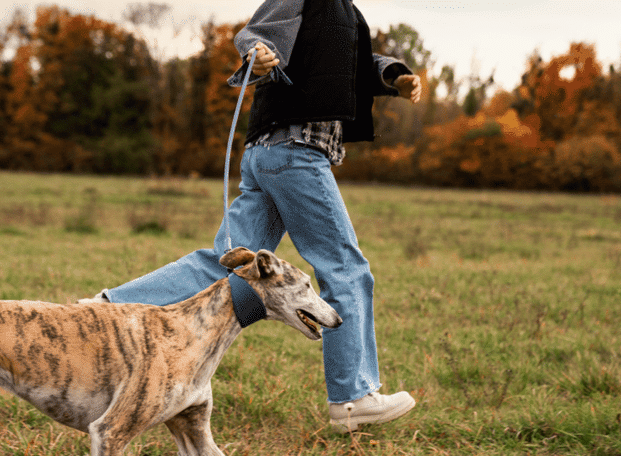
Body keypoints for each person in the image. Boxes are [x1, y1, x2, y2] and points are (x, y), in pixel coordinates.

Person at [83, 0, 423, 432]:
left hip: (270, 154)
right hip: (295, 152)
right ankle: (352, 397)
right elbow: (257, 32)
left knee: (225, 261)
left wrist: (392, 74)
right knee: (346, 269)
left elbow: (349, 62)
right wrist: (258, 54)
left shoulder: (344, 12)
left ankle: (105, 309)